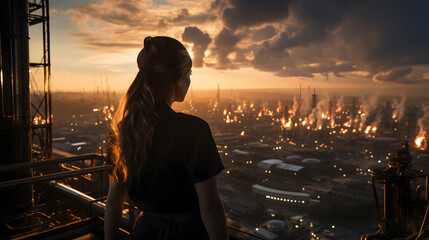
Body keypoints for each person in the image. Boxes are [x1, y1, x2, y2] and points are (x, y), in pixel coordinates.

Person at [104, 36, 229, 240]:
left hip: (145, 233)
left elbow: (114, 200)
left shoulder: (122, 130)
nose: (189, 81)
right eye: (189, 74)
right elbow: (211, 207)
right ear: (178, 78)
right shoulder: (193, 129)